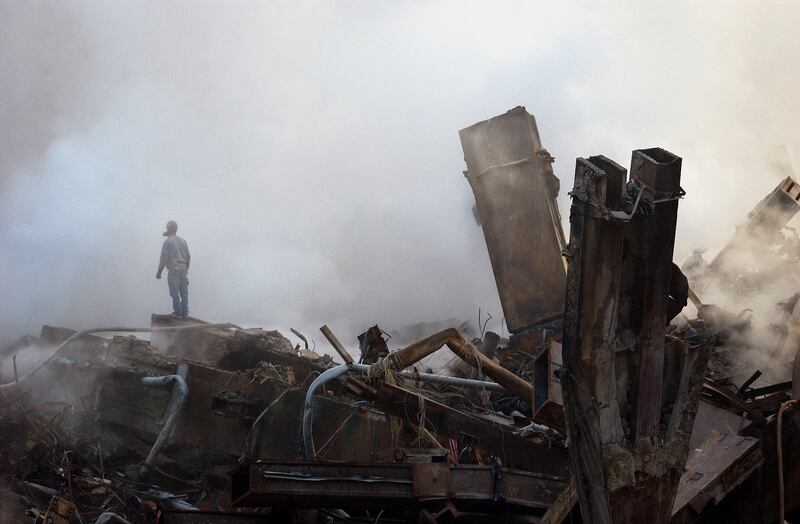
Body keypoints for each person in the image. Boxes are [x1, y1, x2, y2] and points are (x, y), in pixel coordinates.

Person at [156, 220, 191, 318]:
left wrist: (159, 272)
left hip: (174, 268)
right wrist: (185, 269)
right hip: (183, 268)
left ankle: (178, 313)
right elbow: (188, 257)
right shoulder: (183, 241)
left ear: (169, 229)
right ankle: (185, 314)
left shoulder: (168, 241)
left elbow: (164, 258)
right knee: (184, 292)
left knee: (175, 291)